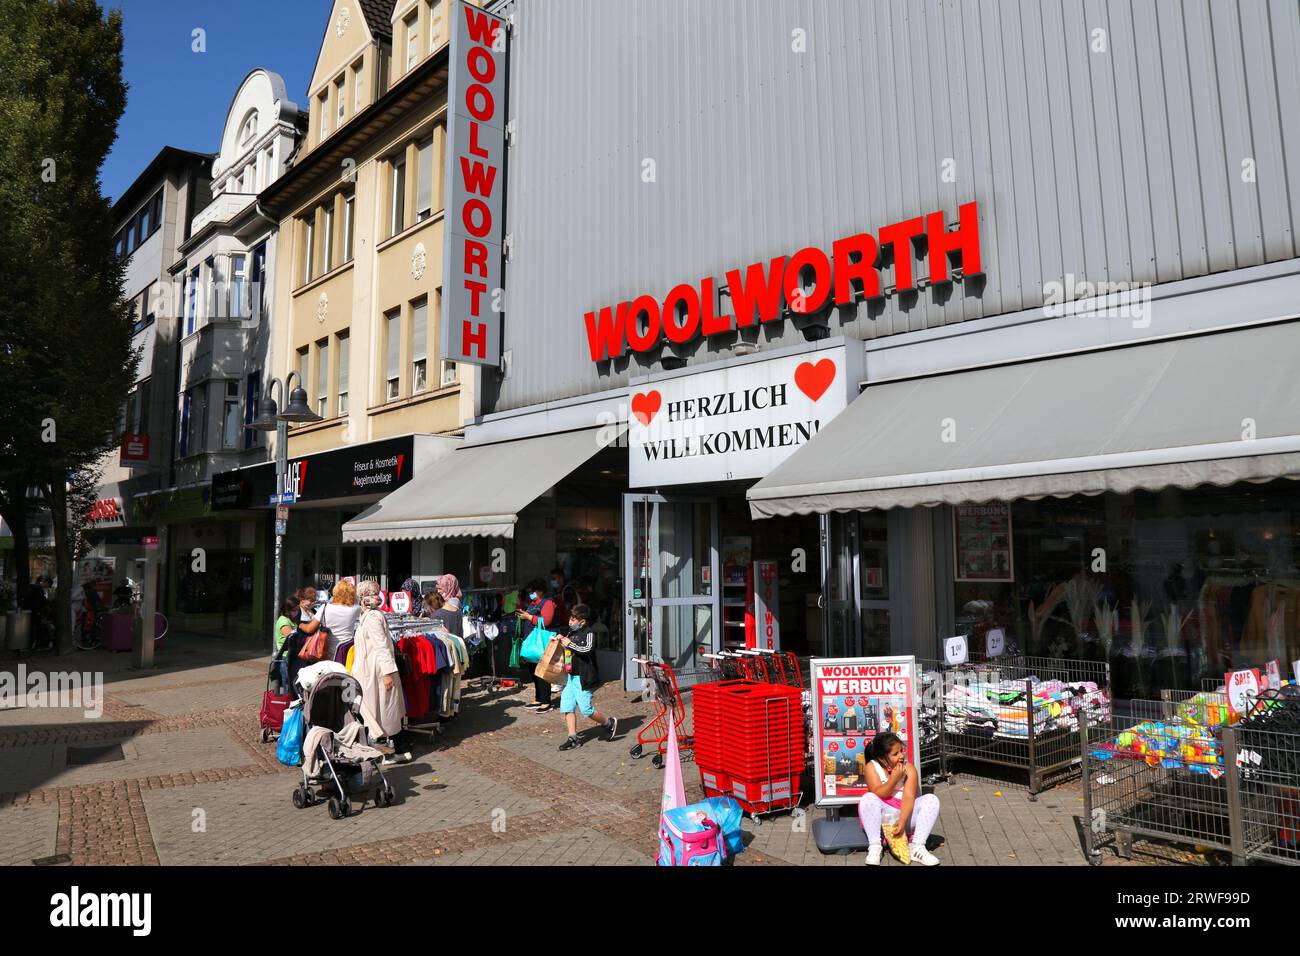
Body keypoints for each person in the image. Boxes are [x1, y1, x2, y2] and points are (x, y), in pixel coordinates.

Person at [858, 732, 941, 866]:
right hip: (883, 817)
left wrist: (902, 820)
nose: (901, 755)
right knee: (868, 798)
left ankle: (917, 846)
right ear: (882, 759)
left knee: (932, 799)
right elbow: (879, 793)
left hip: (905, 815)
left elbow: (909, 797)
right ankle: (875, 846)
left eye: (902, 750)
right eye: (895, 754)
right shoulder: (871, 767)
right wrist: (894, 779)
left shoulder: (909, 768)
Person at [354, 580, 411, 764]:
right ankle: (397, 749)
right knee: (380, 713)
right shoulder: (369, 615)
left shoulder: (371, 617)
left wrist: (387, 673)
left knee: (384, 713)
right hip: (371, 671)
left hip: (376, 672)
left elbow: (381, 647)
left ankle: (399, 750)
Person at [556, 604, 618, 750]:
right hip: (571, 676)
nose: (570, 622)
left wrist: (570, 644)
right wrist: (561, 642)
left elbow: (587, 650)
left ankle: (609, 723)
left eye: (573, 620)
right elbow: (569, 650)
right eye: (570, 619)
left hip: (583, 677)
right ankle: (573, 738)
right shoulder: (571, 633)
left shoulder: (589, 633)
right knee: (567, 706)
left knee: (586, 710)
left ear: (582, 621)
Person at [516, 578, 557, 712]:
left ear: (540, 591)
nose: (530, 594)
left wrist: (528, 617)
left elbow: (547, 621)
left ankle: (546, 702)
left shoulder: (548, 603)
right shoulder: (532, 603)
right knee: (533, 671)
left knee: (542, 672)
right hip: (532, 644)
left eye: (532, 591)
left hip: (542, 644)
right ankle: (538, 698)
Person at [316, 578, 361, 661]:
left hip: (327, 650)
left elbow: (311, 628)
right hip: (346, 650)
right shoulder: (355, 609)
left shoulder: (325, 607)